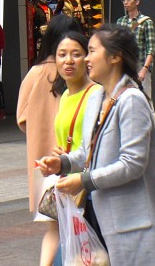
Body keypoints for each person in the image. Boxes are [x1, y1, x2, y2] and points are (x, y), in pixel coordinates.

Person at [37, 24, 155, 265]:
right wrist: (62, 163)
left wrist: (84, 180)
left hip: (133, 224)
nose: (86, 59)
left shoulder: (132, 100)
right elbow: (87, 153)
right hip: (99, 216)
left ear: (115, 57)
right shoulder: (97, 97)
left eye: (91, 51)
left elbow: (133, 164)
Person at [16, 13, 82, 263]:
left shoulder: (36, 73)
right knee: (80, 225)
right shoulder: (82, 74)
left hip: (44, 165)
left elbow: (21, 118)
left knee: (53, 228)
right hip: (77, 165)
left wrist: (38, 131)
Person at [36, 30, 103, 266]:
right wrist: (58, 154)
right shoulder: (64, 95)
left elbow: (91, 146)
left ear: (87, 58)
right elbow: (67, 139)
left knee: (83, 254)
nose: (68, 60)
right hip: (66, 184)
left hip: (85, 189)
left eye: (76, 54)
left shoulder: (96, 94)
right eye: (62, 54)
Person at [115, 0, 155, 96]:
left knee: (145, 100)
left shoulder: (146, 22)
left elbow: (151, 49)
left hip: (140, 67)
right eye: (124, 0)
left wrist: (145, 69)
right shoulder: (120, 21)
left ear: (137, 2)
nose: (126, 2)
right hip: (124, 68)